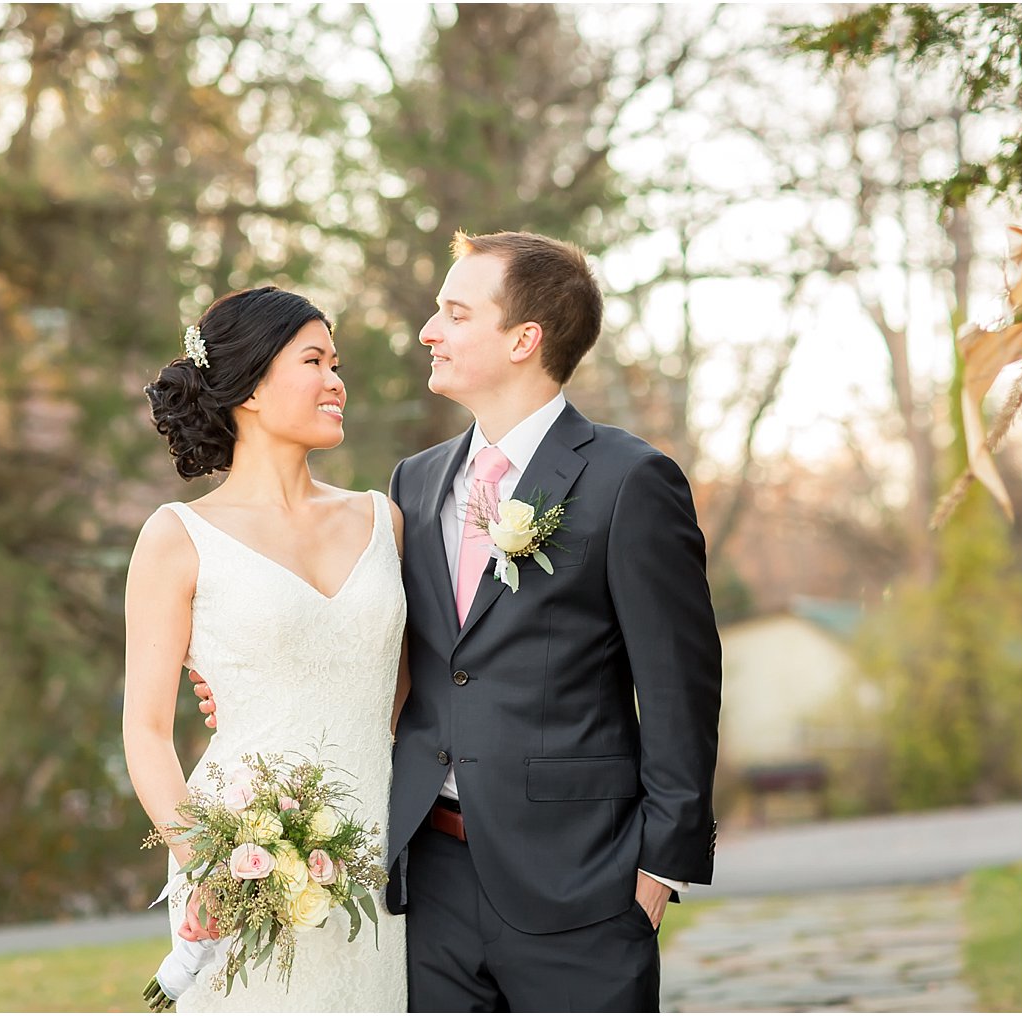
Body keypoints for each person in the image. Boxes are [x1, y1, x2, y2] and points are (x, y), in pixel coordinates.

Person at [195, 231, 722, 1012]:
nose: (427, 331)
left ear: (523, 340)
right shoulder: (415, 482)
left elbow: (680, 687)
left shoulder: (629, 481)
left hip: (581, 882)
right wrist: (257, 687)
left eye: (454, 312)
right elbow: (389, 648)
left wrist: (659, 869)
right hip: (426, 880)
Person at [121, 286, 409, 1012]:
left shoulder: (384, 520)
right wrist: (209, 865)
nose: (337, 380)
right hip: (244, 858)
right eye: (314, 360)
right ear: (249, 385)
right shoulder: (176, 537)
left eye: (336, 362)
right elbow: (147, 731)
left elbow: (409, 694)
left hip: (380, 854)